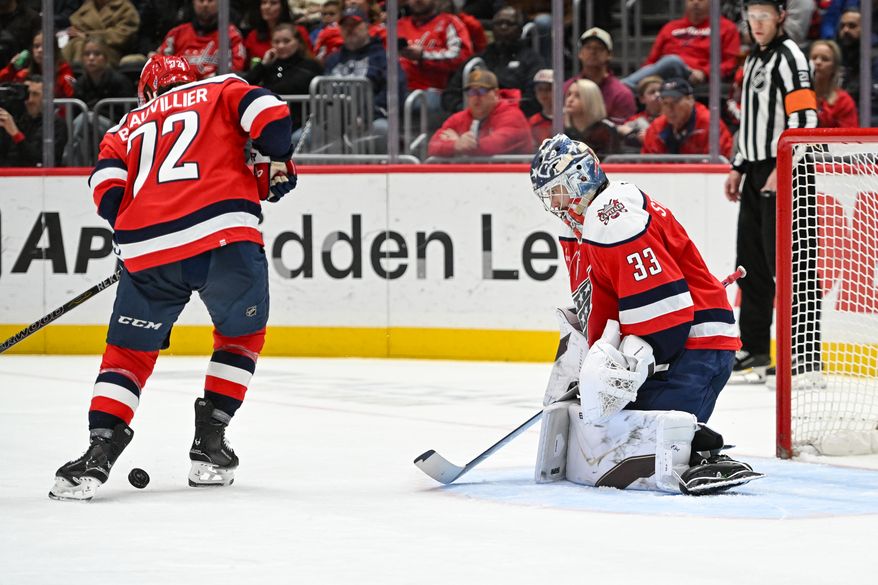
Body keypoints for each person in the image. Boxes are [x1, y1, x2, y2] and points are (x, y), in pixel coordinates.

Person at [48, 55, 297, 501]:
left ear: (145, 93)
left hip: (147, 250)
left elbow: (106, 195)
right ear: (190, 80)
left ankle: (97, 453)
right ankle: (209, 446)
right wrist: (276, 161)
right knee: (241, 337)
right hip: (224, 236)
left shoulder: (122, 128)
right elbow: (272, 118)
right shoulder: (220, 88)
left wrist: (145, 238)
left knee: (127, 355)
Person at [530, 133, 762, 495]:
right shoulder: (589, 221)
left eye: (557, 191)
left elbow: (667, 317)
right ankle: (690, 441)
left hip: (695, 349)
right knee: (601, 423)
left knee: (626, 437)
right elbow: (600, 309)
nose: (554, 203)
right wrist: (588, 366)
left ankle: (703, 454)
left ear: (580, 179)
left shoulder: (612, 218)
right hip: (683, 345)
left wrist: (624, 371)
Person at [723, 0, 818, 382]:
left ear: (781, 16)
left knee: (793, 267)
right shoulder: (753, 61)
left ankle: (806, 358)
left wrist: (784, 164)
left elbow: (805, 118)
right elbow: (750, 123)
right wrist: (738, 166)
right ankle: (756, 350)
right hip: (756, 169)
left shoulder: (791, 57)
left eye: (765, 16)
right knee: (752, 264)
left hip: (787, 168)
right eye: (752, 17)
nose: (757, 24)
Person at [323, 7, 407, 153]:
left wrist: (366, 115)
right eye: (345, 26)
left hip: (371, 119)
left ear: (367, 26)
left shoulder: (383, 58)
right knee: (299, 138)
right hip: (335, 122)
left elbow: (393, 91)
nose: (350, 29)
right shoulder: (333, 60)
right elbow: (322, 93)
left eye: (355, 25)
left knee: (382, 130)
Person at [440, 6, 544, 118]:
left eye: (509, 24)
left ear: (520, 30)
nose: (503, 27)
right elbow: (450, 94)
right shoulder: (478, 60)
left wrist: (500, 112)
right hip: (475, 120)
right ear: (492, 28)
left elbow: (534, 98)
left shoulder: (532, 59)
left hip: (513, 119)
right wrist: (467, 109)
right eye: (499, 23)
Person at [621, 0, 740, 91]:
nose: (696, 3)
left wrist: (704, 73)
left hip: (694, 77)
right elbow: (652, 61)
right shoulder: (671, 27)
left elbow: (730, 63)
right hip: (665, 74)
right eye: (691, 0)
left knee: (672, 60)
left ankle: (622, 87)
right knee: (668, 63)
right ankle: (624, 88)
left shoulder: (726, 27)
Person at [398, 0, 473, 130]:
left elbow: (462, 56)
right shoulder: (398, 25)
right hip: (398, 89)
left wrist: (423, 55)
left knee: (424, 103)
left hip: (434, 91)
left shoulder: (449, 22)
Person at [427, 68, 532, 158]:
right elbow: (433, 145)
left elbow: (493, 146)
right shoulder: (459, 118)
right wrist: (456, 144)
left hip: (512, 177)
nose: (476, 97)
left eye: (481, 91)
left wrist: (461, 145)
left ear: (496, 94)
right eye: (471, 92)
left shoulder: (513, 116)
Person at [67, 35, 136, 166]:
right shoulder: (80, 83)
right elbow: (74, 116)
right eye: (87, 54)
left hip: (116, 129)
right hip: (86, 127)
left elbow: (127, 115)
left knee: (86, 118)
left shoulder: (120, 81)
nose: (91, 58)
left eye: (97, 54)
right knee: (83, 121)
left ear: (105, 57)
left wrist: (95, 111)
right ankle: (75, 165)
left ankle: (70, 160)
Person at [243, 22, 322, 129]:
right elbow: (243, 85)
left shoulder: (310, 65)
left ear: (298, 42)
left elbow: (289, 87)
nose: (281, 46)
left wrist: (260, 92)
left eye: (286, 41)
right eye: (276, 42)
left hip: (300, 124)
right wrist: (263, 65)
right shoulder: (270, 64)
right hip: (270, 123)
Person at [641, 77, 733, 158]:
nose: (670, 109)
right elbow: (647, 164)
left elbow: (721, 164)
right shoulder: (657, 127)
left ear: (690, 100)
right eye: (665, 103)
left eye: (675, 102)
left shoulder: (710, 125)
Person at [563, 27, 636, 125]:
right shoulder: (567, 88)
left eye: (599, 48)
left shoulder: (621, 94)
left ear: (609, 55)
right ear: (580, 53)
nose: (593, 52)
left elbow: (622, 133)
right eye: (588, 47)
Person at [158, 0, 247, 78]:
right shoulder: (176, 34)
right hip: (179, 92)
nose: (205, 4)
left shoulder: (232, 35)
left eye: (210, 0)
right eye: (201, 0)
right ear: (193, 3)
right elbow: (159, 67)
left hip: (216, 91)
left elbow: (236, 71)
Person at [0, 75, 68, 166]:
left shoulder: (56, 124)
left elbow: (39, 160)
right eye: (27, 94)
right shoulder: (16, 118)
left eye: (35, 94)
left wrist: (16, 134)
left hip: (39, 177)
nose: (30, 100)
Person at [62, 0, 141, 66]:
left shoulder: (124, 7)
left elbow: (122, 35)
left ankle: (79, 75)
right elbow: (76, 23)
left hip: (111, 51)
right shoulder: (88, 5)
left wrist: (88, 35)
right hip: (83, 46)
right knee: (74, 44)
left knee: (81, 45)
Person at [0, 31, 76, 98]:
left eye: (45, 46)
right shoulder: (24, 74)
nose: (40, 50)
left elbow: (69, 105)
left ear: (54, 50)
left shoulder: (65, 74)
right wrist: (12, 68)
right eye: (36, 46)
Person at [562, 79, 618, 158]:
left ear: (591, 100)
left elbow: (612, 162)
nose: (570, 100)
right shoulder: (560, 127)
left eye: (578, 96)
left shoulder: (606, 130)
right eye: (569, 94)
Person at [809, 39, 858, 128]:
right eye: (814, 58)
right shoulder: (799, 96)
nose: (818, 62)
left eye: (825, 59)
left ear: (834, 68)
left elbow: (850, 137)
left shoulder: (844, 102)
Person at [616, 75, 663, 151]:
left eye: (661, 91)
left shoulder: (671, 118)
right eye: (652, 92)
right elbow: (621, 129)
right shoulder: (635, 119)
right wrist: (631, 132)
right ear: (642, 99)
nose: (658, 95)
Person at [527, 68, 553, 145]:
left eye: (548, 89)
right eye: (540, 89)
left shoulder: (567, 118)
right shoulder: (533, 122)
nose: (543, 93)